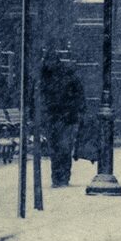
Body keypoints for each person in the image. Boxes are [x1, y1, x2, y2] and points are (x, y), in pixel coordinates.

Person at [40, 53, 85, 188]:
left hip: (63, 117)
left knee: (62, 148)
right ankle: (59, 176)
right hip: (60, 117)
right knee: (57, 148)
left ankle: (62, 176)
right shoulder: (50, 76)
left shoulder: (54, 76)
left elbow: (78, 94)